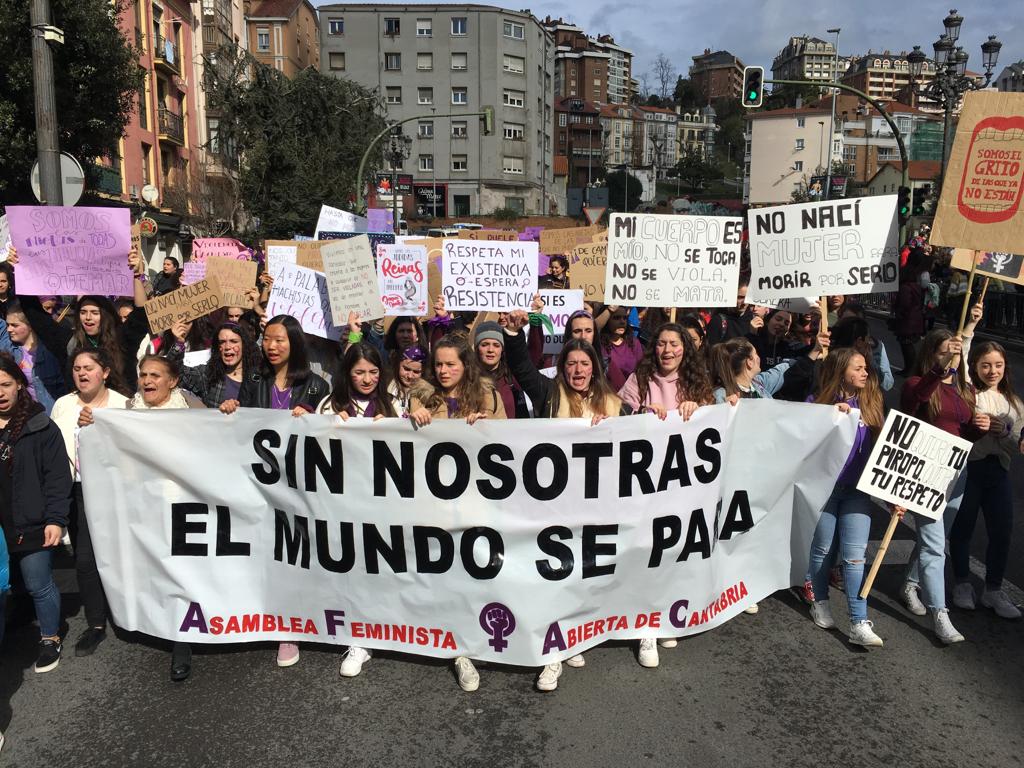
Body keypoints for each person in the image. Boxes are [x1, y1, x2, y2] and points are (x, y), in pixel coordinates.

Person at [221, 315, 327, 667]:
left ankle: (293, 627)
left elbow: (330, 432)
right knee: (267, 552)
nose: (272, 346)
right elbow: (243, 426)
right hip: (262, 484)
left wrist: (312, 416)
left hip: (300, 485)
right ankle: (270, 615)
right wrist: (232, 409)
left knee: (295, 553)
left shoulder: (315, 385)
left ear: (295, 342)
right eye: (267, 339)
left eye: (280, 339)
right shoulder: (254, 379)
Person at [408, 335, 505, 693]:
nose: (444, 371)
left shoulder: (488, 396)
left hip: (476, 502)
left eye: (451, 364)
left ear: (466, 365)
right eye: (439, 365)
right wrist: (409, 417)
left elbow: (507, 447)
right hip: (431, 504)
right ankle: (452, 641)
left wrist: (487, 427)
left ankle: (469, 643)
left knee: (473, 571)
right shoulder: (421, 396)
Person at [618, 321, 713, 665]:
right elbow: (619, 422)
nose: (667, 350)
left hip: (679, 488)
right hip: (642, 487)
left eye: (674, 344)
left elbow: (714, 428)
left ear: (685, 349)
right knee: (645, 553)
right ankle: (646, 628)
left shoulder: (697, 384)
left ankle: (664, 615)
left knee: (671, 552)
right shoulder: (637, 381)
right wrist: (643, 415)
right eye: (660, 344)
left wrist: (697, 410)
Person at [312, 342, 398, 677]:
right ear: (347, 373)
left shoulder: (392, 405)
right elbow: (309, 446)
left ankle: (388, 626)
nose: (367, 379)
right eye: (359, 372)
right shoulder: (329, 404)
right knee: (352, 570)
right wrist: (319, 424)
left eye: (373, 372)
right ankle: (358, 638)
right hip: (342, 505)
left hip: (383, 505)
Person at [899, 321, 987, 643]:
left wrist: (981, 426)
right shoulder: (917, 383)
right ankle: (940, 614)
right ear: (932, 355)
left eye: (955, 353)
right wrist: (938, 369)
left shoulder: (964, 390)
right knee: (935, 546)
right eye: (944, 352)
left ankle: (910, 583)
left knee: (937, 537)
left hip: (956, 471)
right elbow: (913, 402)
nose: (952, 358)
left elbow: (966, 436)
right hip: (924, 471)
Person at [805, 348, 892, 646]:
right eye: (858, 368)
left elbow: (885, 451)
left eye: (866, 367)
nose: (865, 373)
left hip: (858, 492)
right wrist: (828, 417)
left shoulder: (872, 402)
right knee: (823, 549)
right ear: (841, 370)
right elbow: (804, 443)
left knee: (855, 557)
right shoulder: (817, 402)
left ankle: (858, 622)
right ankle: (820, 601)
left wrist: (894, 494)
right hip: (826, 491)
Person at [126, 355, 203, 680]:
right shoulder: (127, 412)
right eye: (143, 374)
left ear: (172, 382)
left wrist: (227, 414)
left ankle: (181, 640)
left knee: (182, 569)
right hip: (145, 504)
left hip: (184, 502)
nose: (147, 381)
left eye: (155, 375)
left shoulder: (192, 408)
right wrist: (92, 423)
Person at [49, 349, 130, 656]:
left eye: (89, 368)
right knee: (85, 560)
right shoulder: (63, 405)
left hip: (115, 491)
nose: (82, 374)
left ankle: (128, 612)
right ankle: (96, 624)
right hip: (79, 492)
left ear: (105, 372)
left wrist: (101, 425)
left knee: (121, 554)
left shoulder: (123, 404)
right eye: (76, 369)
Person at [0, 353, 73, 672]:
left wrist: (56, 519)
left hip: (32, 521)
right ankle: (16, 622)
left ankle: (49, 636)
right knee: (9, 583)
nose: (0, 392)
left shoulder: (41, 424)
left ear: (19, 384)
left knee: (38, 583)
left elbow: (58, 476)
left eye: (5, 384)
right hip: (1, 525)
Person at [949, 341, 1024, 619]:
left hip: (998, 472)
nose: (993, 371)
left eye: (998, 365)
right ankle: (962, 584)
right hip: (969, 470)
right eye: (986, 365)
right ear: (975, 368)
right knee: (962, 528)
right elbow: (961, 355)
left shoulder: (1014, 403)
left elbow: (1017, 442)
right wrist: (970, 325)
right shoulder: (969, 394)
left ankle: (993, 590)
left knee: (1002, 531)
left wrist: (1005, 433)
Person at [711, 332, 828, 404]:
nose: (759, 357)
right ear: (749, 363)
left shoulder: (759, 384)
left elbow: (782, 370)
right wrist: (725, 410)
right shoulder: (721, 394)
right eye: (756, 354)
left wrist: (815, 351)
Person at [165, 321, 260, 408]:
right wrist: (179, 343)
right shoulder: (208, 374)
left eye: (233, 341)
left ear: (244, 345)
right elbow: (175, 374)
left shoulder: (259, 377)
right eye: (222, 342)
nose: (227, 347)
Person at [0, 303, 68, 413]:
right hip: (23, 417)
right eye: (8, 325)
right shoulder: (10, 350)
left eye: (14, 325)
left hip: (52, 414)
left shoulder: (51, 352)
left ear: (30, 325)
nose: (9, 329)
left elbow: (64, 389)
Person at [474, 321, 528, 418]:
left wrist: (536, 322)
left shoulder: (512, 376)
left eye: (496, 345)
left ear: (502, 349)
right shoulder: (468, 378)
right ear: (477, 348)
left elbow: (534, 353)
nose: (490, 350)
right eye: (485, 344)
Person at [829, 316, 895, 392]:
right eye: (858, 369)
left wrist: (870, 361)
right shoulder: (836, 358)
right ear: (859, 341)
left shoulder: (877, 347)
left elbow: (887, 383)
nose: (865, 374)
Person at [894, 248, 930, 373]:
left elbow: (905, 302)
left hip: (908, 316)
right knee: (908, 344)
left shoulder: (907, 283)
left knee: (906, 344)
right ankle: (911, 368)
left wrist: (899, 311)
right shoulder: (923, 274)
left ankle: (910, 368)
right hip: (915, 314)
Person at [599, 307, 644, 391]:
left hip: (630, 394)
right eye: (616, 318)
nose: (622, 321)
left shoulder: (634, 343)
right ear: (607, 320)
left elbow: (641, 370)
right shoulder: (599, 344)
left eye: (625, 318)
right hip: (608, 394)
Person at [706, 278, 753, 345]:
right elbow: (711, 352)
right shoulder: (718, 321)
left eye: (747, 297)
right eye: (740, 297)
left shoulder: (752, 319)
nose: (745, 302)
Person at [388, 346, 426, 413]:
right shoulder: (385, 391)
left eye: (416, 372)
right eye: (406, 369)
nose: (410, 376)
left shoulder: (428, 396)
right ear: (398, 366)